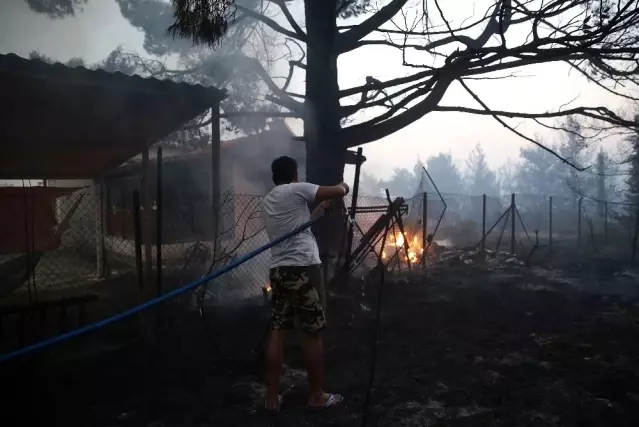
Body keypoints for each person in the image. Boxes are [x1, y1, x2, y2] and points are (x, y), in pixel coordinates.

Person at [261, 155, 349, 412]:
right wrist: (345, 186)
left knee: (278, 331)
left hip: (279, 270)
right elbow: (337, 191)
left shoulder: (269, 200)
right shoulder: (297, 189)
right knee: (312, 332)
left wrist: (318, 211)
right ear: (294, 175)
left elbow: (297, 223)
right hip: (304, 268)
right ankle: (316, 396)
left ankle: (271, 399)